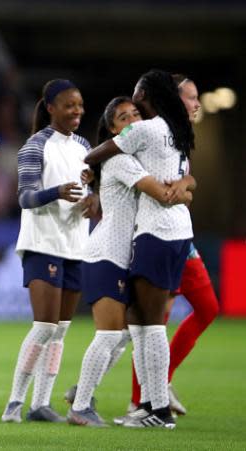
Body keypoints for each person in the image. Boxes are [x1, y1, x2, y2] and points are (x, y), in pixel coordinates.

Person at [66, 97, 192, 427]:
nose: (133, 120)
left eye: (136, 114)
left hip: (123, 255)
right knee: (110, 335)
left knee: (130, 335)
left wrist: (183, 183)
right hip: (106, 253)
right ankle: (80, 405)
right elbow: (160, 191)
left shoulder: (137, 158)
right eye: (123, 118)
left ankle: (137, 402)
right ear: (113, 131)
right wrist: (179, 189)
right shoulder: (122, 162)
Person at [1, 79, 91, 424]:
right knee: (43, 326)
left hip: (75, 245)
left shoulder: (84, 145)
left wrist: (92, 199)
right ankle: (14, 403)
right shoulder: (34, 147)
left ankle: (41, 403)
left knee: (61, 329)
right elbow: (24, 198)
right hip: (43, 244)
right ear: (50, 107)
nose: (77, 111)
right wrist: (55, 192)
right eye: (69, 105)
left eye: (80, 105)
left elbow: (89, 187)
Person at [128, 74, 219, 416]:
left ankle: (161, 381)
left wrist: (185, 183)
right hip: (156, 233)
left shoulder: (181, 137)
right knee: (153, 320)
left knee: (208, 308)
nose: (197, 104)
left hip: (183, 237)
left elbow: (188, 185)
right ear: (172, 99)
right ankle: (141, 399)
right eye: (192, 97)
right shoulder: (151, 132)